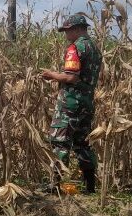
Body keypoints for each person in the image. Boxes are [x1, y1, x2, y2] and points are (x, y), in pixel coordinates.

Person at [40, 14, 102, 194]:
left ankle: (55, 185)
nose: (66, 34)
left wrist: (50, 75)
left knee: (59, 141)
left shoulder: (75, 48)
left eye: (67, 30)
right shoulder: (94, 49)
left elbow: (71, 77)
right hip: (87, 103)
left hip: (70, 104)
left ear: (77, 29)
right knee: (83, 143)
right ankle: (90, 186)